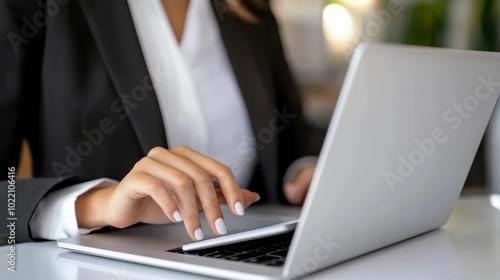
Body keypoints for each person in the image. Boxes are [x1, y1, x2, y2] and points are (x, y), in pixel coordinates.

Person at [0, 0, 316, 244]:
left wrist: (305, 171)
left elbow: (289, 140)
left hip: (250, 254)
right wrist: (97, 205)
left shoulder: (248, 8)